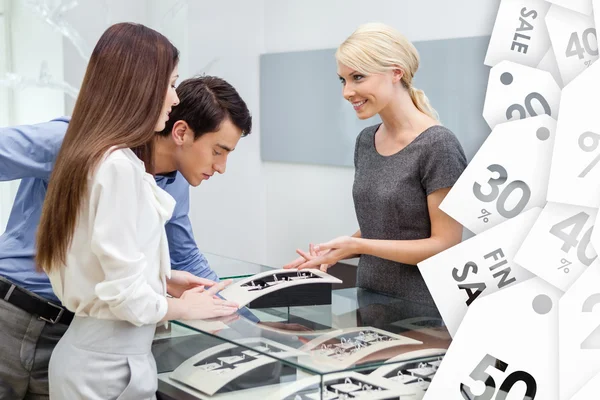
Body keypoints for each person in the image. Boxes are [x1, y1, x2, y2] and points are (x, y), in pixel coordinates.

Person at [0, 25, 252, 400]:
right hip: (14, 312)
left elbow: (177, 257)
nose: (173, 97)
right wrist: (180, 308)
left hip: (75, 329)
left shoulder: (166, 182)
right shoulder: (83, 149)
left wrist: (245, 320)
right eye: (219, 151)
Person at [285, 22, 466, 306]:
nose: (347, 91)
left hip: (425, 307)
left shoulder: (438, 145)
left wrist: (357, 245)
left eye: (357, 77)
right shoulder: (366, 140)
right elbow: (384, 228)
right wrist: (338, 251)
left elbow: (445, 244)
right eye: (342, 80)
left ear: (396, 73)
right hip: (371, 298)